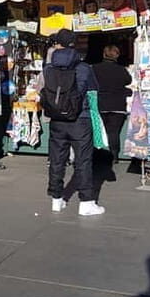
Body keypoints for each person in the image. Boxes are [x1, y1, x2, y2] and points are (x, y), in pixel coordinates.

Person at [44, 28, 103, 216]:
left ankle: (56, 199)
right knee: (83, 161)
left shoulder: (48, 68)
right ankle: (86, 202)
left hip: (57, 119)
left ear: (57, 43)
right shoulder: (84, 68)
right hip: (80, 119)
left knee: (57, 160)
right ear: (73, 44)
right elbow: (94, 91)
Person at [92, 45, 132, 163]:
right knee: (113, 132)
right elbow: (128, 81)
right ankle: (114, 155)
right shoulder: (121, 70)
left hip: (100, 103)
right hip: (117, 104)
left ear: (104, 54)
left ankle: (98, 154)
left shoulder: (94, 68)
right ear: (117, 55)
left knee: (98, 130)